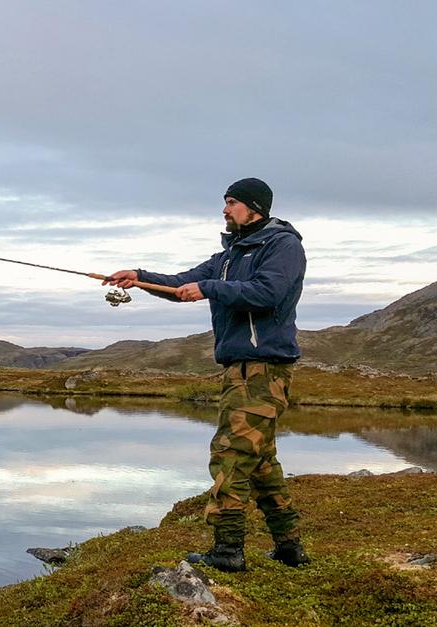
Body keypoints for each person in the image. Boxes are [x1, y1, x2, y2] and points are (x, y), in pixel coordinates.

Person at [103, 177, 310, 572]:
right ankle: (289, 546)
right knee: (261, 462)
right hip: (240, 370)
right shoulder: (229, 254)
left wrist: (210, 288)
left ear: (255, 207)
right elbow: (182, 283)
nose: (224, 209)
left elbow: (267, 294)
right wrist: (138, 276)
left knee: (230, 455)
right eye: (225, 202)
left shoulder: (283, 245)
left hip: (264, 370)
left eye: (231, 202)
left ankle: (228, 551)